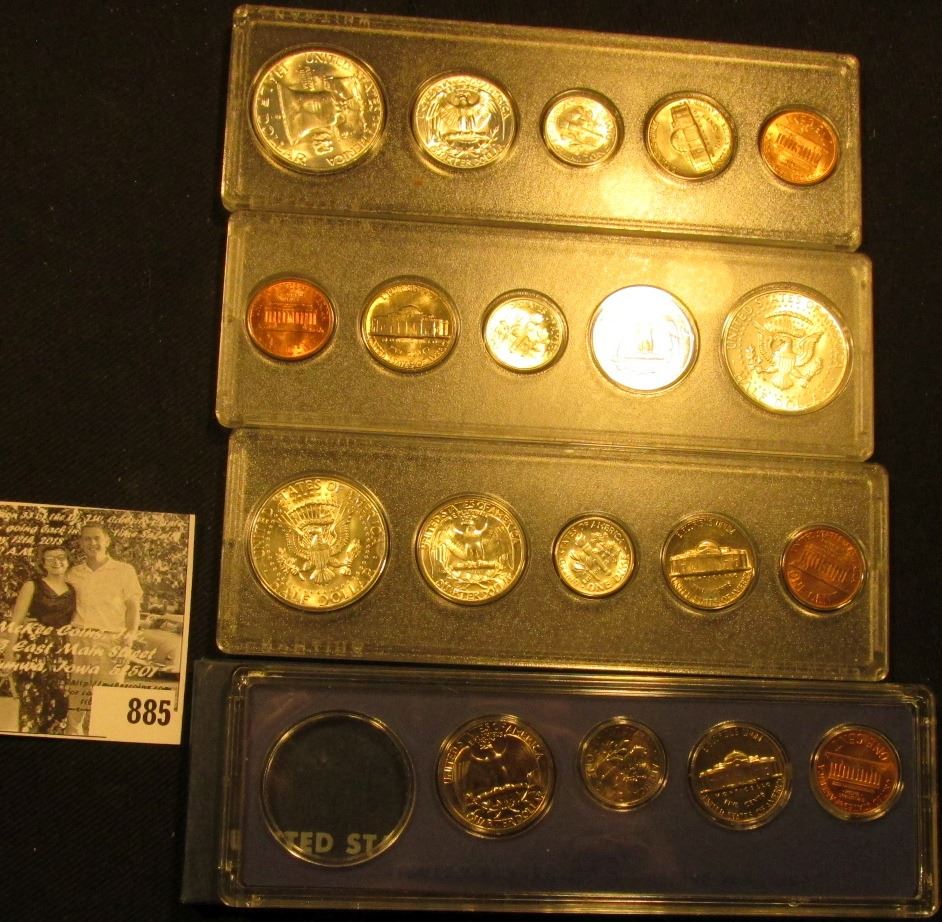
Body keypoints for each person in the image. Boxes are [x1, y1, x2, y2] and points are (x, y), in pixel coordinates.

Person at [66, 521, 143, 734]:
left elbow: (133, 606)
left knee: (109, 699)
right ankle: (73, 739)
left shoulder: (124, 570)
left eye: (96, 538)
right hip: (80, 641)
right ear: (81, 543)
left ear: (107, 541)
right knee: (77, 700)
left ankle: (106, 743)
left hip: (112, 641)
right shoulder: (73, 573)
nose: (92, 543)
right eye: (87, 539)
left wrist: (131, 634)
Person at [3, 544, 75, 734]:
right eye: (50, 558)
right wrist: (9, 654)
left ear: (68, 562)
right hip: (32, 648)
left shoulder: (73, 590)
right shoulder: (32, 585)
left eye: (61, 557)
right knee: (32, 702)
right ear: (43, 563)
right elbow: (16, 621)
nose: (56, 562)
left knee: (59, 703)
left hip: (60, 651)